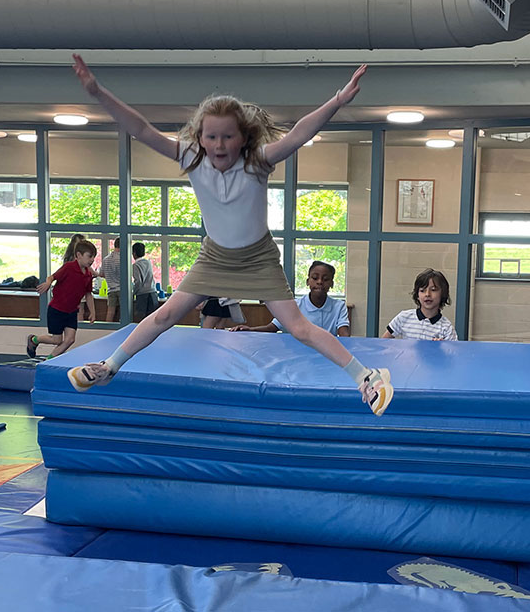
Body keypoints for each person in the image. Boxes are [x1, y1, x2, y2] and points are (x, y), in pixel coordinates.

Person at [66, 53, 392, 416]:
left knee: (297, 327)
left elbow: (301, 132)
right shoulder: (190, 158)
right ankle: (110, 367)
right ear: (200, 138)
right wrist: (98, 92)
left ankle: (366, 376)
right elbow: (141, 129)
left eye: (227, 136)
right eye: (211, 136)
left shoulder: (259, 161)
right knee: (164, 315)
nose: (219, 144)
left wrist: (337, 101)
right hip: (216, 256)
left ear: (243, 138)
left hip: (258, 258)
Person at [231, 260, 349, 337]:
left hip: (328, 357)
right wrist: (250, 330)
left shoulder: (339, 306)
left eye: (325, 279)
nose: (320, 282)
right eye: (315, 278)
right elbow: (272, 327)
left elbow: (344, 334)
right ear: (308, 281)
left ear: (332, 284)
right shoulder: (295, 305)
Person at [27, 239, 97, 359]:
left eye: (94, 257)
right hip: (57, 310)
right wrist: (48, 283)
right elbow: (52, 276)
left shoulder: (88, 275)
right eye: (89, 256)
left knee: (70, 340)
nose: (92, 260)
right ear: (79, 255)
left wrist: (93, 312)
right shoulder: (68, 267)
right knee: (56, 340)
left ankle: (48, 360)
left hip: (71, 312)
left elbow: (88, 294)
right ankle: (34, 340)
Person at [382, 268, 457, 341]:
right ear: (417, 295)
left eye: (433, 290)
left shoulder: (447, 328)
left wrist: (442, 348)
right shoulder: (403, 317)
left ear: (442, 293)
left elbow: (453, 352)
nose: (427, 294)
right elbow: (383, 342)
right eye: (422, 290)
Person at [132, 242, 156, 321]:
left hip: (142, 295)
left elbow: (138, 281)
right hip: (152, 293)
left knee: (142, 320)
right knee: (152, 320)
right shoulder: (148, 262)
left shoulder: (136, 265)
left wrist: (134, 293)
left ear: (134, 253)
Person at [100, 237, 122, 322]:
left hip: (111, 289)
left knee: (110, 312)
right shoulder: (123, 259)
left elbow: (101, 274)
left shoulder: (106, 259)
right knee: (123, 313)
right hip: (122, 290)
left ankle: (107, 330)